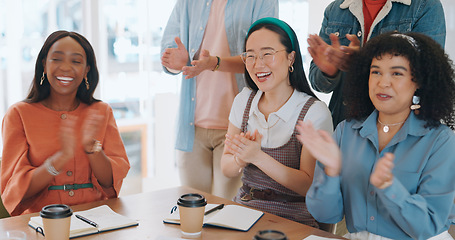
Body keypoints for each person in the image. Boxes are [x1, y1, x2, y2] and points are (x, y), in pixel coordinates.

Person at [297, 32, 455, 239]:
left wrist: (389, 188)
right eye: (376, 72)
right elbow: (326, 214)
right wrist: (331, 171)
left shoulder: (441, 141)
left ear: (419, 81)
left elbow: (429, 224)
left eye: (397, 73)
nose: (383, 83)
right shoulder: (346, 131)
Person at [1, 31, 130, 216]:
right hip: (42, 220)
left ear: (87, 70)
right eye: (57, 59)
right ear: (44, 64)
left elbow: (110, 182)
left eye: (76, 61)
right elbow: (14, 191)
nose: (66, 67)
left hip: (96, 217)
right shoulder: (18, 114)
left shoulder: (102, 111)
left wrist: (92, 149)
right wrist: (59, 159)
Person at [160, 0, 278, 199]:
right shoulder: (188, 3)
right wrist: (176, 62)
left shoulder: (261, 2)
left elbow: (263, 58)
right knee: (193, 212)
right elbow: (169, 53)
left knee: (228, 214)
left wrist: (214, 63)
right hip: (192, 128)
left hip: (238, 129)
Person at [221, 18, 333, 227]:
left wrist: (257, 157)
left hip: (294, 218)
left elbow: (309, 185)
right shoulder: (243, 101)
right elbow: (226, 168)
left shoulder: (314, 113)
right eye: (250, 56)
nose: (258, 64)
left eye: (267, 54)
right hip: (244, 211)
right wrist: (240, 159)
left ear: (291, 58)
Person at [307, 0, 446, 127]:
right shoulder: (335, 9)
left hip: (400, 127)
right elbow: (318, 83)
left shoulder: (425, 6)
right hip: (346, 122)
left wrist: (360, 64)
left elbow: (428, 75)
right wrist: (329, 72)